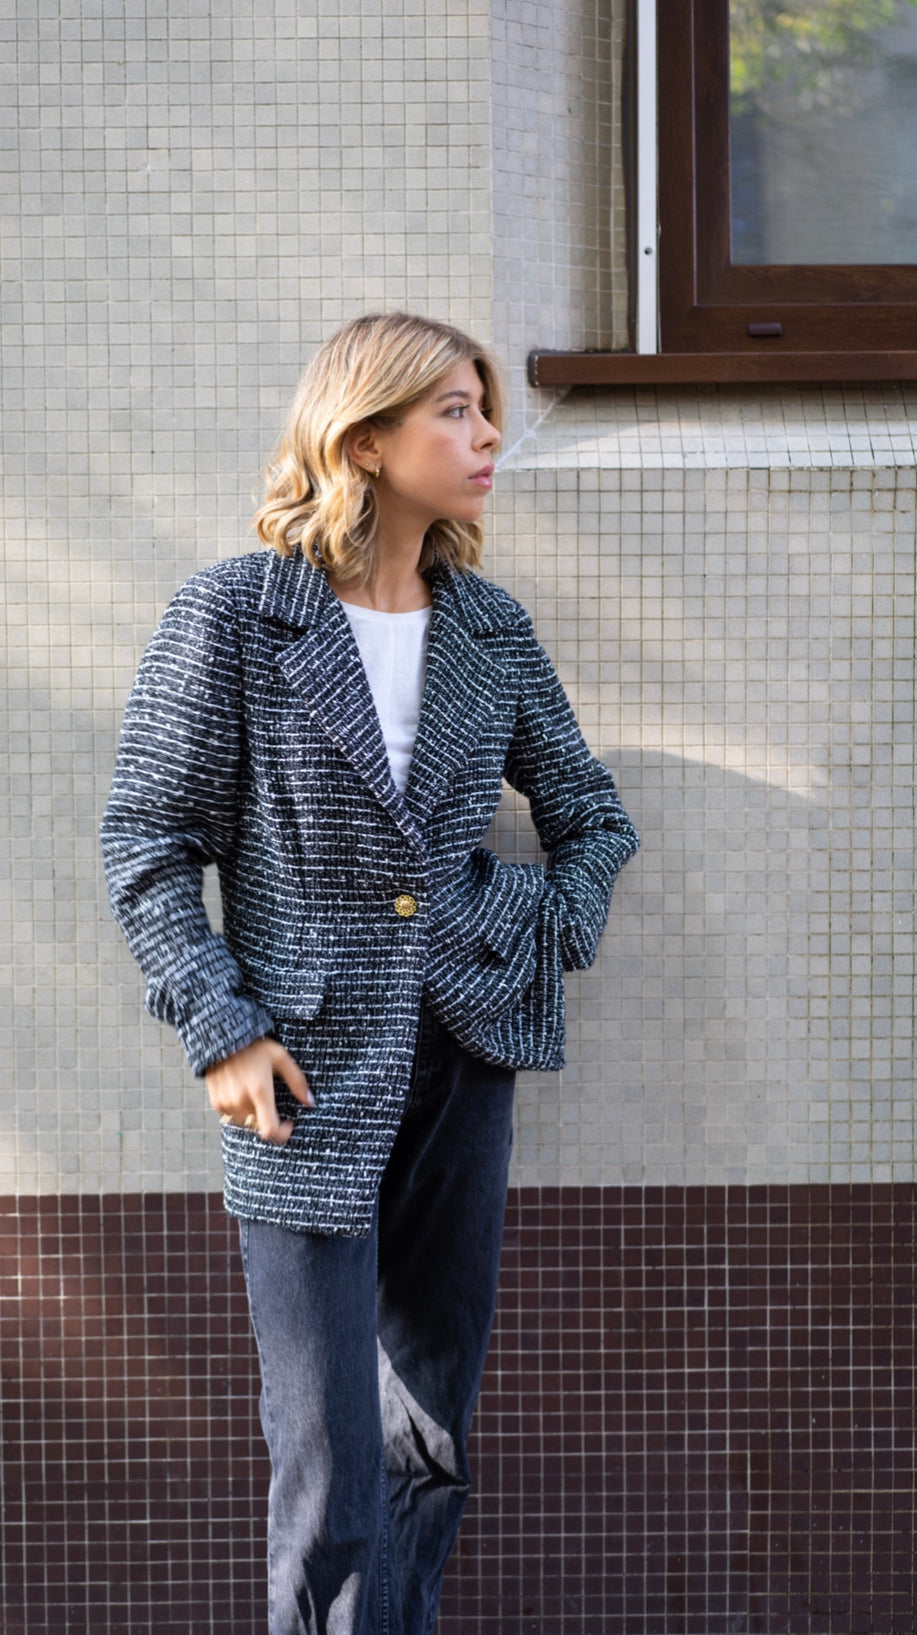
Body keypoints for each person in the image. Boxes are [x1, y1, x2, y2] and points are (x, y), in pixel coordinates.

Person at [101, 312, 638, 1635]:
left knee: (427, 1436)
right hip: (299, 1071)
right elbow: (148, 841)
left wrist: (540, 923)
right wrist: (222, 1029)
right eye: (455, 410)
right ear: (364, 440)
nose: (489, 434)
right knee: (331, 1456)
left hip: (465, 1047)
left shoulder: (487, 627)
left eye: (485, 407)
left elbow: (588, 814)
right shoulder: (236, 616)